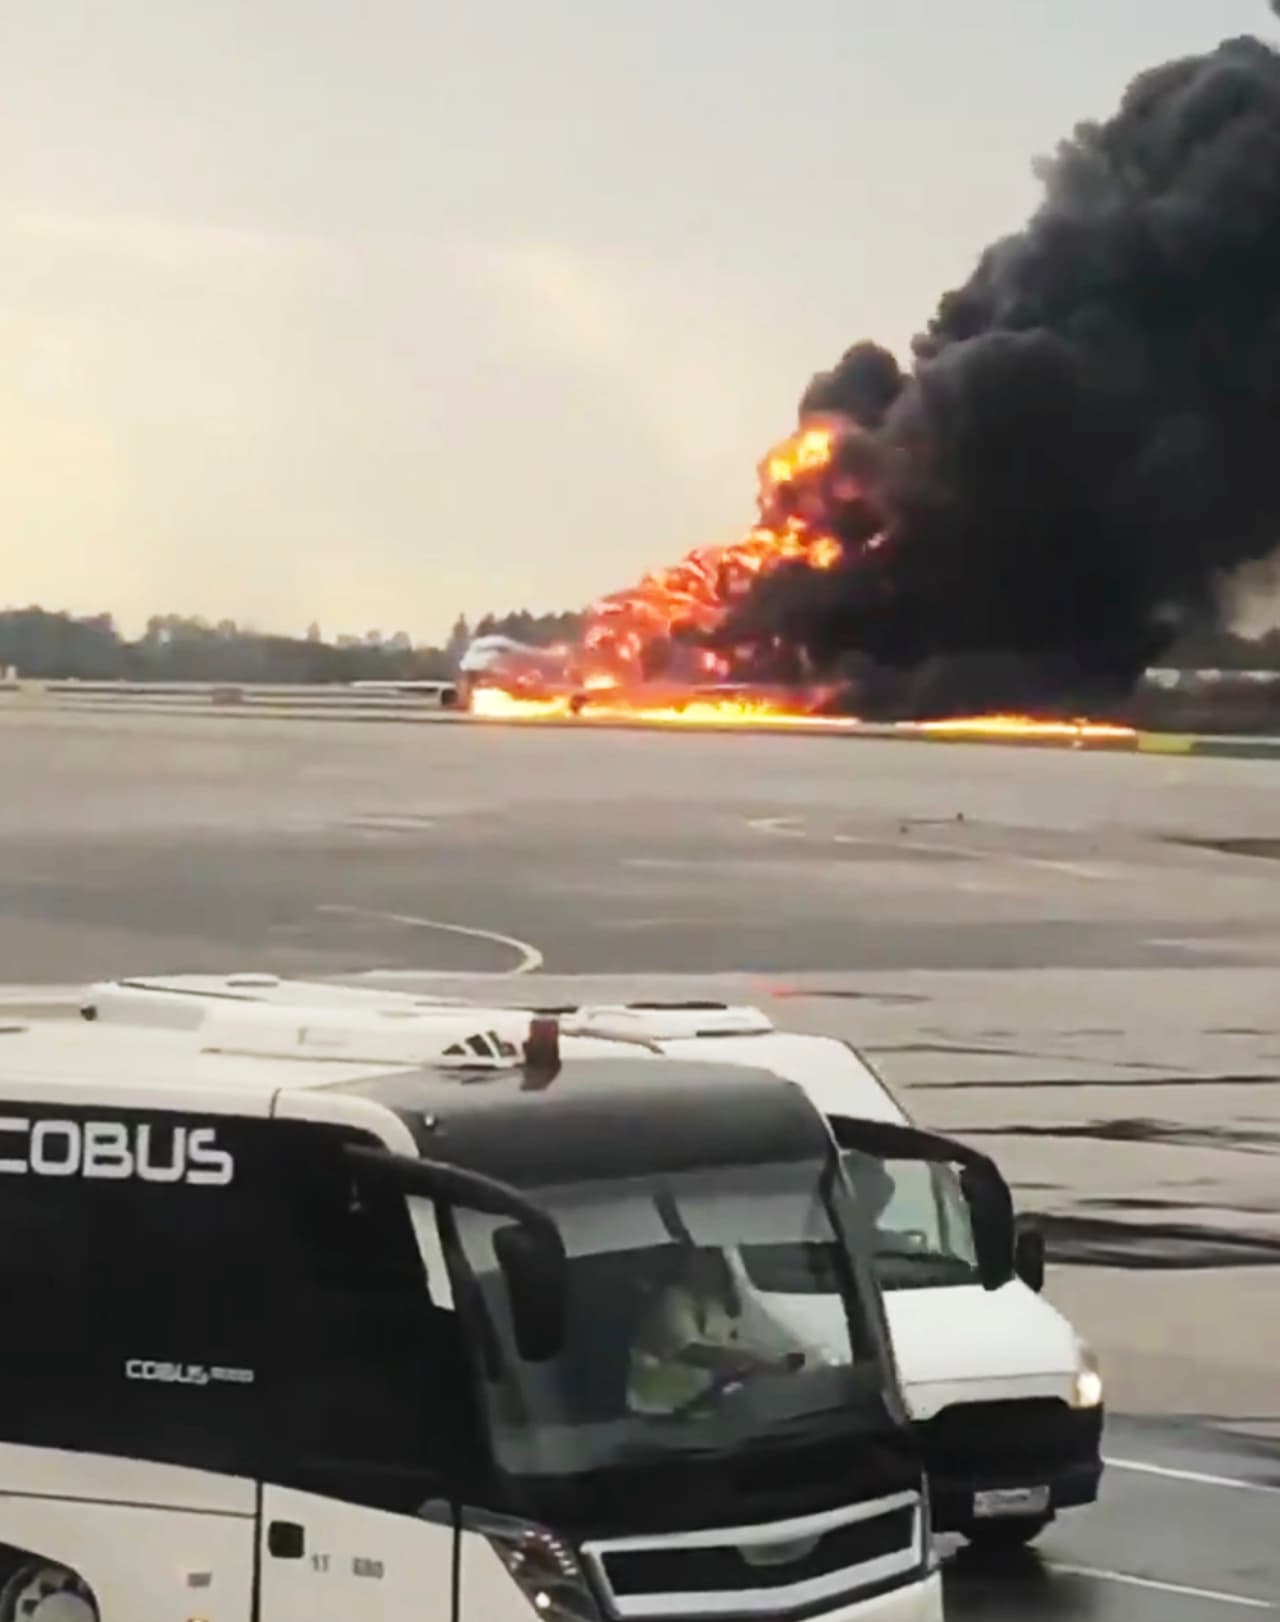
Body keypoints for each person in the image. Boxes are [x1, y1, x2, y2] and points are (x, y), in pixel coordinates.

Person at [626, 1248, 803, 1417]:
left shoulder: (725, 1301)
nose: (718, 1264)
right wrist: (764, 1363)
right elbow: (692, 1351)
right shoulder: (673, 1299)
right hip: (663, 1414)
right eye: (707, 1254)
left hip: (710, 1409)